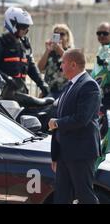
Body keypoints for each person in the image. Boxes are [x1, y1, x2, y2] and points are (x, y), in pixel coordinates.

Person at [48, 49, 101, 204]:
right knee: (61, 196)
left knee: (85, 195)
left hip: (81, 152)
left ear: (73, 64)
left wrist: (57, 123)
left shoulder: (89, 85)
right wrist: (56, 155)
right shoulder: (70, 84)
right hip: (65, 153)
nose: (61, 66)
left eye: (63, 63)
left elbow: (81, 118)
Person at [0, 7, 50, 98]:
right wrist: (7, 79)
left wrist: (41, 84)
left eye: (27, 28)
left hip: (20, 91)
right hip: (2, 93)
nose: (26, 31)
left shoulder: (25, 44)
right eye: (23, 27)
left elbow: (31, 66)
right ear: (13, 24)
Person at [38, 24, 75, 99]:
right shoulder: (50, 52)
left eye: (62, 34)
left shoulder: (71, 51)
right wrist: (47, 51)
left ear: (67, 37)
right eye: (56, 34)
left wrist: (60, 50)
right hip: (49, 90)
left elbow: (72, 65)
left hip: (64, 91)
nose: (59, 37)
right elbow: (40, 68)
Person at [91, 22, 110, 111]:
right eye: (99, 33)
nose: (101, 35)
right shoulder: (101, 49)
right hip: (100, 94)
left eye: (105, 33)